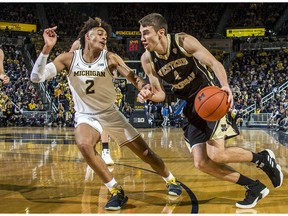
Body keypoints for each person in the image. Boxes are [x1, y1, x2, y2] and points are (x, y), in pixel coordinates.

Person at [30, 17, 182, 211]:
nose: (104, 38)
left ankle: (170, 179)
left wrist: (144, 88)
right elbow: (36, 77)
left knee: (147, 154)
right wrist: (47, 48)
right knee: (84, 143)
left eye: (106, 36)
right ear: (87, 36)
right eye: (100, 34)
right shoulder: (68, 59)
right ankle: (115, 190)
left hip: (110, 113)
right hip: (86, 115)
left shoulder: (110, 58)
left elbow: (134, 78)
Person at [137, 13, 283, 209]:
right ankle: (254, 187)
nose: (142, 38)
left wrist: (225, 86)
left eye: (146, 33)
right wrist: (147, 94)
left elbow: (214, 63)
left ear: (160, 32)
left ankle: (263, 159)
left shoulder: (183, 41)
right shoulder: (147, 59)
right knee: (201, 163)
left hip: (209, 97)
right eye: (141, 34)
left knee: (217, 154)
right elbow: (161, 94)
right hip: (190, 106)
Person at [70, 39, 114, 165]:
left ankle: (105, 151)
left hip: (100, 89)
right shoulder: (78, 47)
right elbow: (70, 56)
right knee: (87, 126)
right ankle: (92, 150)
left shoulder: (102, 50)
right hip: (83, 91)